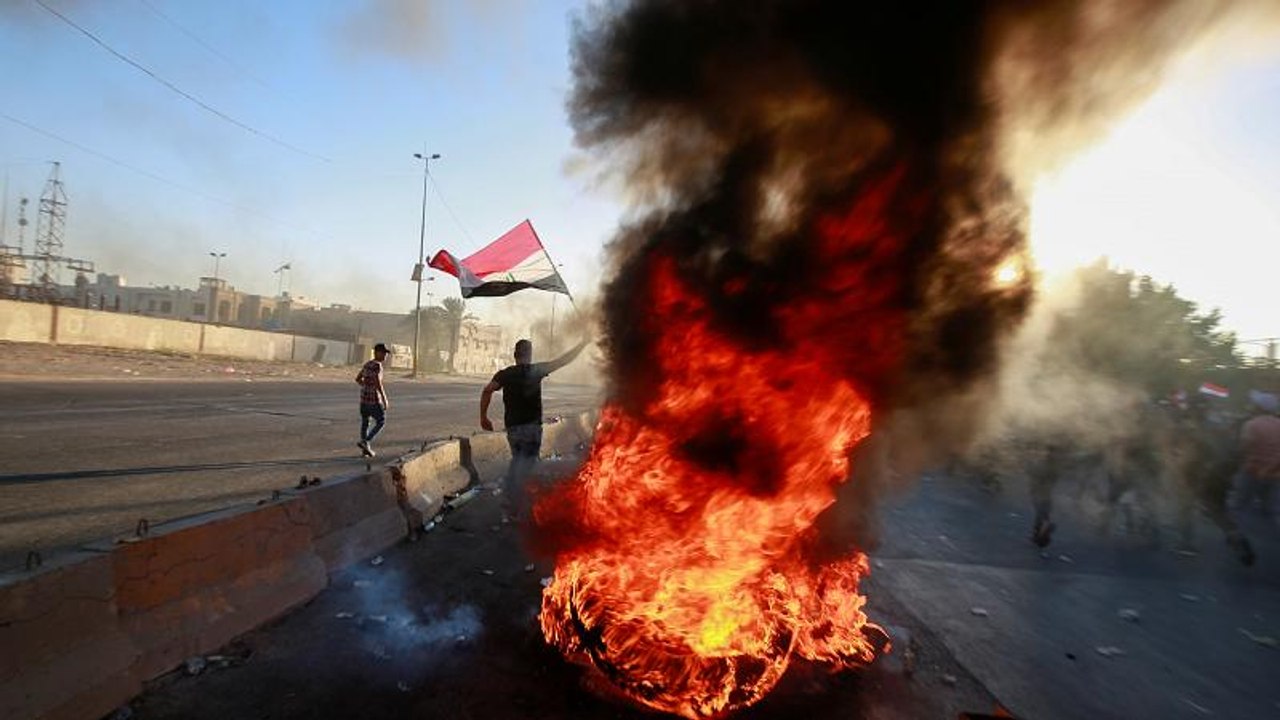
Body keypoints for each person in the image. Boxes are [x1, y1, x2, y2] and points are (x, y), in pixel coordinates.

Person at [480, 337, 588, 517]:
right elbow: (564, 360)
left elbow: (487, 390)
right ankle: (523, 507)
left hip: (513, 430)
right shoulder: (536, 370)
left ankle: (512, 503)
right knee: (528, 466)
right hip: (532, 429)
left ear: (515, 355)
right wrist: (583, 343)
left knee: (518, 461)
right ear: (529, 355)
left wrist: (484, 417)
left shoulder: (505, 374)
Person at [1234, 390, 1280, 524]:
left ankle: (1240, 537)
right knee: (1270, 510)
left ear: (1259, 407)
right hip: (1275, 474)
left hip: (1252, 472)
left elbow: (1243, 448)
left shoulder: (1251, 424)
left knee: (1240, 506)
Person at [355, 343, 391, 457]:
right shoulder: (377, 365)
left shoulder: (367, 364)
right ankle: (366, 441)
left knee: (365, 422)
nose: (385, 355)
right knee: (381, 421)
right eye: (383, 352)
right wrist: (385, 398)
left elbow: (358, 379)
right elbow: (378, 383)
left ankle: (365, 449)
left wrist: (365, 387)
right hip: (374, 400)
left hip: (363, 400)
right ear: (377, 352)